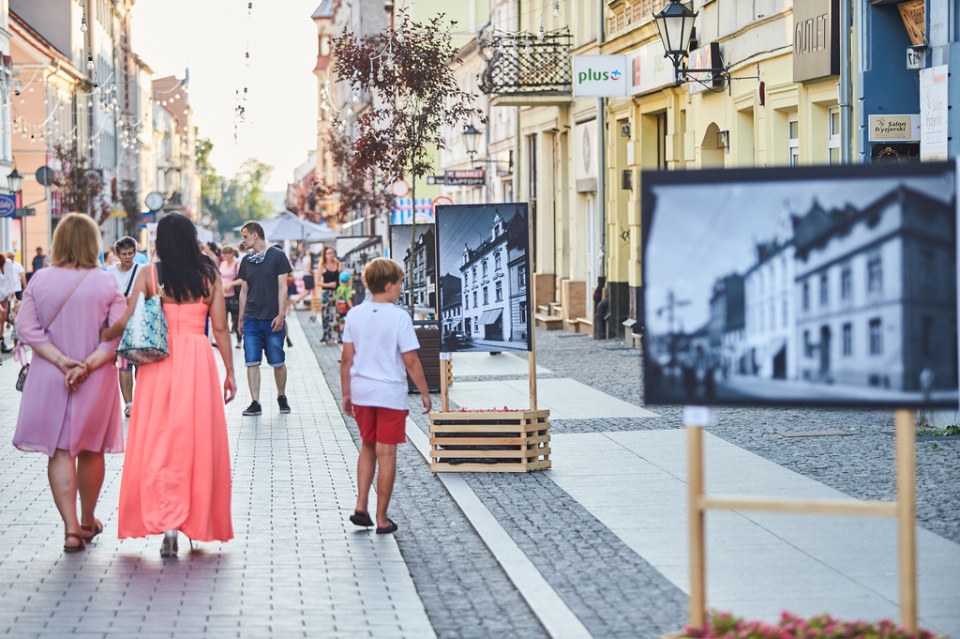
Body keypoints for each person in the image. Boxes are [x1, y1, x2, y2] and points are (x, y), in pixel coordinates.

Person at [102, 213, 236, 557]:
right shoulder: (208, 275)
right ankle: (192, 520)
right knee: (195, 442)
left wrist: (102, 336)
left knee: (158, 442)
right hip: (197, 360)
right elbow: (220, 328)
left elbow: (128, 319)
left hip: (159, 361)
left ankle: (168, 523)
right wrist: (230, 372)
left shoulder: (151, 274)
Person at [12, 213, 127, 553]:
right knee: (91, 449)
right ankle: (89, 520)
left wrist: (62, 361)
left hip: (50, 373)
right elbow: (115, 335)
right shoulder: (106, 283)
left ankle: (72, 528)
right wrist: (85, 365)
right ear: (93, 243)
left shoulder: (39, 280)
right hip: (94, 375)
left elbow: (27, 330)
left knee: (60, 449)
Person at [340, 258, 431, 535]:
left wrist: (346, 393)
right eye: (401, 284)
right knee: (386, 453)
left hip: (362, 392)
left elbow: (346, 360)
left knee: (367, 446)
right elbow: (411, 361)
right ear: (390, 285)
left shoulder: (354, 314)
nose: (401, 289)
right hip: (389, 393)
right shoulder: (399, 317)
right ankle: (381, 518)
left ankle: (360, 505)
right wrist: (425, 393)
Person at [237, 221, 292, 416]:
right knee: (251, 360)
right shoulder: (246, 260)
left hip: (272, 318)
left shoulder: (277, 256)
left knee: (277, 360)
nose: (242, 240)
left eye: (244, 236)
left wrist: (281, 314)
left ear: (255, 235)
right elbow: (244, 290)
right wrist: (240, 318)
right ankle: (255, 402)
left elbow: (282, 287)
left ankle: (281, 395)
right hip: (252, 318)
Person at [106, 237, 142, 418]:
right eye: (124, 254)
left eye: (131, 253)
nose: (128, 257)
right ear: (117, 254)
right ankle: (129, 404)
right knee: (124, 366)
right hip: (119, 324)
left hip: (140, 323)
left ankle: (142, 402)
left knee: (141, 365)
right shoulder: (110, 272)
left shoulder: (142, 270)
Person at [219, 245, 242, 349]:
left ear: (232, 254)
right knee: (223, 320)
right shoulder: (222, 264)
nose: (225, 256)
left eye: (227, 253)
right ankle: (224, 341)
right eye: (224, 253)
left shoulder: (237, 264)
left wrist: (231, 284)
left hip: (234, 296)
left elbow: (243, 279)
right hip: (223, 295)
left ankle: (239, 340)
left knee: (236, 319)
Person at [318, 246, 342, 345]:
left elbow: (341, 278)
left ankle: (337, 335)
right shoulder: (322, 266)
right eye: (328, 253)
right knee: (326, 314)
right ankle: (327, 336)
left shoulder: (338, 264)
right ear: (325, 255)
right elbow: (317, 282)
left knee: (337, 314)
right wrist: (328, 284)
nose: (331, 255)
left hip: (337, 292)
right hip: (327, 293)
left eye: (332, 253)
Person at [334, 271, 355, 340]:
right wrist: (352, 308)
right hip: (345, 308)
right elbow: (348, 299)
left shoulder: (339, 288)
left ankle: (339, 336)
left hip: (340, 308)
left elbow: (336, 299)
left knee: (341, 322)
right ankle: (344, 335)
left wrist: (337, 307)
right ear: (348, 280)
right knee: (346, 322)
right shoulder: (346, 290)